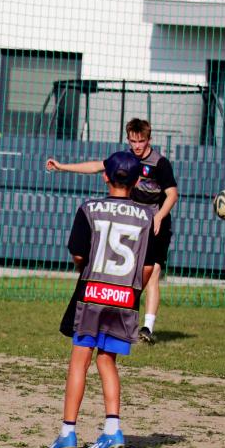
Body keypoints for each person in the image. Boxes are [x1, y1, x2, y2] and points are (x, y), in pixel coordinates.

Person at [49, 151, 156, 448]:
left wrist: (86, 270)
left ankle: (68, 433)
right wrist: (131, 292)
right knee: (107, 361)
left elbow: (78, 254)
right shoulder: (148, 216)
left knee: (80, 360)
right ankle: (112, 430)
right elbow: (148, 266)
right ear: (136, 182)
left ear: (105, 176)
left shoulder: (89, 209)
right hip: (124, 298)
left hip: (92, 294)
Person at [45, 118, 178, 344]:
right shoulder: (125, 160)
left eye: (141, 141)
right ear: (128, 140)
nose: (137, 146)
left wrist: (159, 217)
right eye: (133, 141)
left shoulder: (160, 163)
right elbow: (96, 166)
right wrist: (62, 166)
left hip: (155, 224)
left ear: (149, 139)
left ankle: (147, 327)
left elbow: (172, 194)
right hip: (131, 223)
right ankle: (119, 312)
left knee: (153, 272)